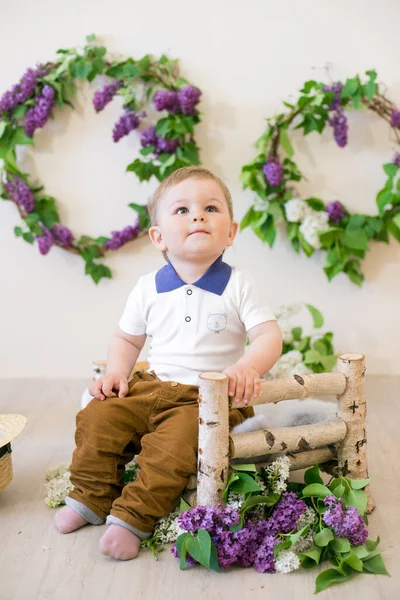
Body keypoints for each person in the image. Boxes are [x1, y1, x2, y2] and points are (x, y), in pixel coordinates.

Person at [55, 166, 282, 560]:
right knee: (97, 418)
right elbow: (127, 338)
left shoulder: (239, 284)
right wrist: (116, 372)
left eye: (211, 208)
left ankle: (133, 518)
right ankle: (90, 496)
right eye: (182, 210)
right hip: (152, 386)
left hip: (209, 399)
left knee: (173, 447)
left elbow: (268, 336)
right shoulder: (148, 287)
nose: (197, 215)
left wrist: (248, 366)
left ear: (231, 231)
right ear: (158, 236)